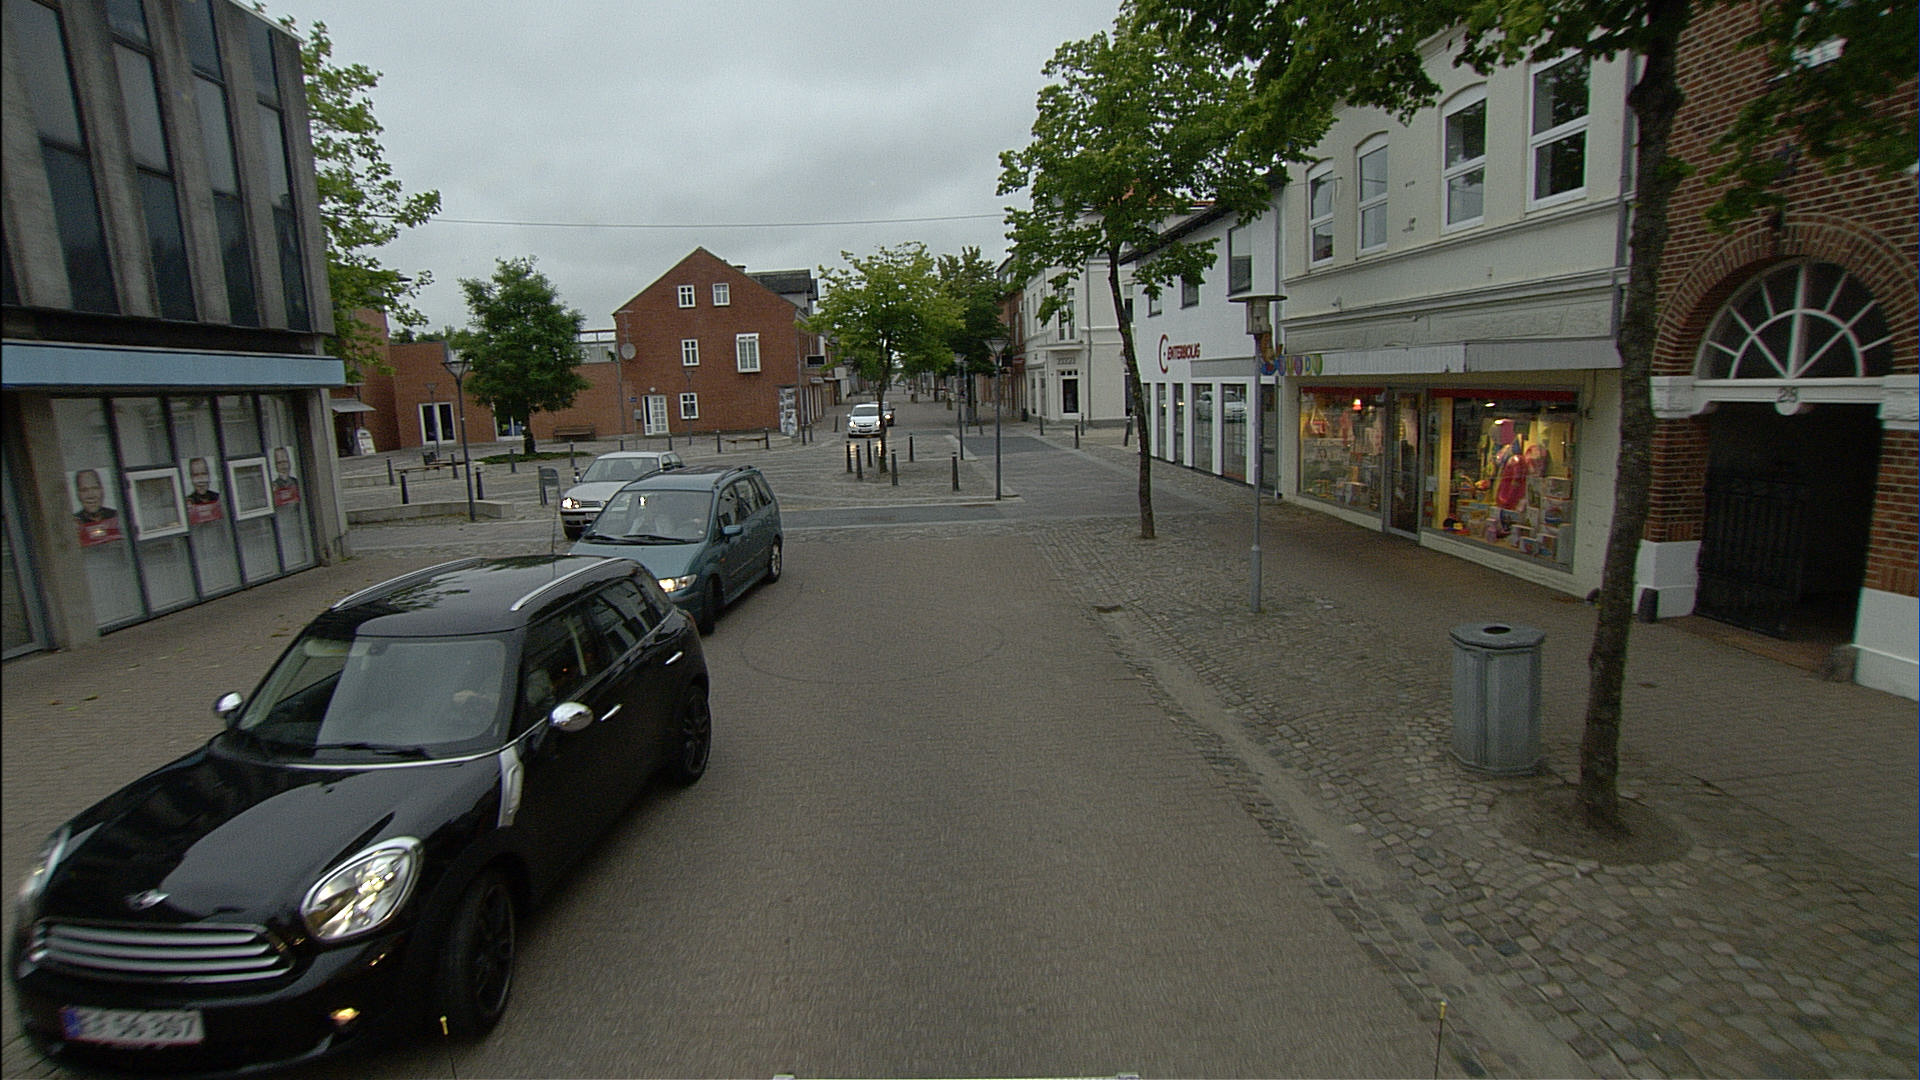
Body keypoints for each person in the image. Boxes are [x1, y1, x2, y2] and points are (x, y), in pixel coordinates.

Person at [73, 468, 124, 547]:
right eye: (84, 490)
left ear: (102, 491)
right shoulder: (73, 523)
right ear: (78, 495)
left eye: (95, 488)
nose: (91, 495)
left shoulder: (118, 516)